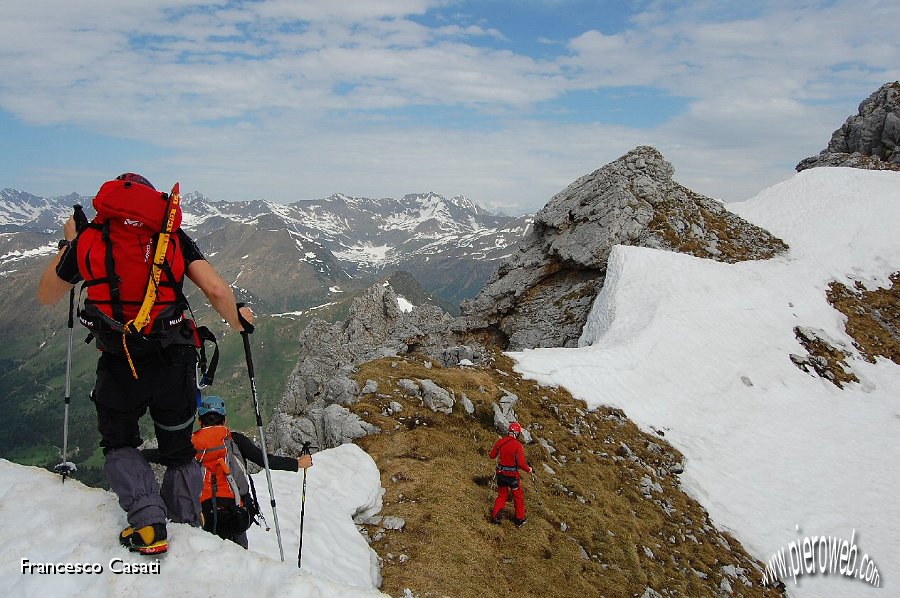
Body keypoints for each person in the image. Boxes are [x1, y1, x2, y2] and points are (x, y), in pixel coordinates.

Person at [37, 172, 251, 555]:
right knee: (179, 449)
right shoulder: (169, 237)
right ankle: (188, 528)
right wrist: (239, 320)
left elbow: (48, 295)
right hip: (173, 362)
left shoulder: (90, 238)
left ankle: (149, 522)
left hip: (119, 363)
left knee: (119, 443)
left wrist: (67, 243)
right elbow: (217, 289)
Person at [186, 395, 313, 548]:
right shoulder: (236, 440)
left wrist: (148, 456)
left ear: (200, 422)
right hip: (234, 512)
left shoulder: (190, 445)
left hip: (203, 515)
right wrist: (297, 463)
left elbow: (166, 458)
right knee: (239, 557)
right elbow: (266, 461)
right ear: (224, 420)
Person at [489, 421, 533, 527]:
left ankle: (495, 517)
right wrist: (529, 469)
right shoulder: (517, 445)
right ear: (517, 434)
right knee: (518, 497)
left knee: (502, 495)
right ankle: (519, 519)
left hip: (501, 475)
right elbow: (521, 463)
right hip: (512, 477)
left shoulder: (500, 442)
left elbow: (491, 456)